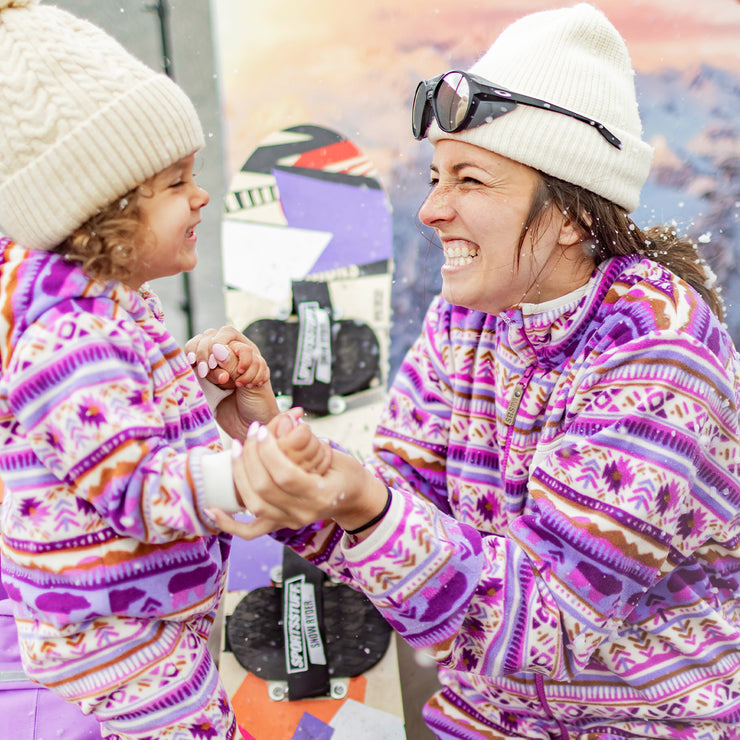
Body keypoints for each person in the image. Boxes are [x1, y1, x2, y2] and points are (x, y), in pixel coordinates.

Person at [193, 4, 740, 739]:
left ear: (574, 213)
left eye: (470, 181)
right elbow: (395, 530)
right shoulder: (471, 320)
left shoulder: (656, 353)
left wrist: (366, 505)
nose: (430, 209)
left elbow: (541, 630)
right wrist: (273, 434)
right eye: (434, 176)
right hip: (486, 722)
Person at [0, 1, 328, 738]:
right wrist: (244, 480)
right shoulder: (67, 339)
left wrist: (192, 382)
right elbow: (131, 480)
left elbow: (117, 416)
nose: (201, 195)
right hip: (107, 631)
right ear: (105, 214)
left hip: (141, 610)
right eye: (177, 182)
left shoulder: (114, 312)